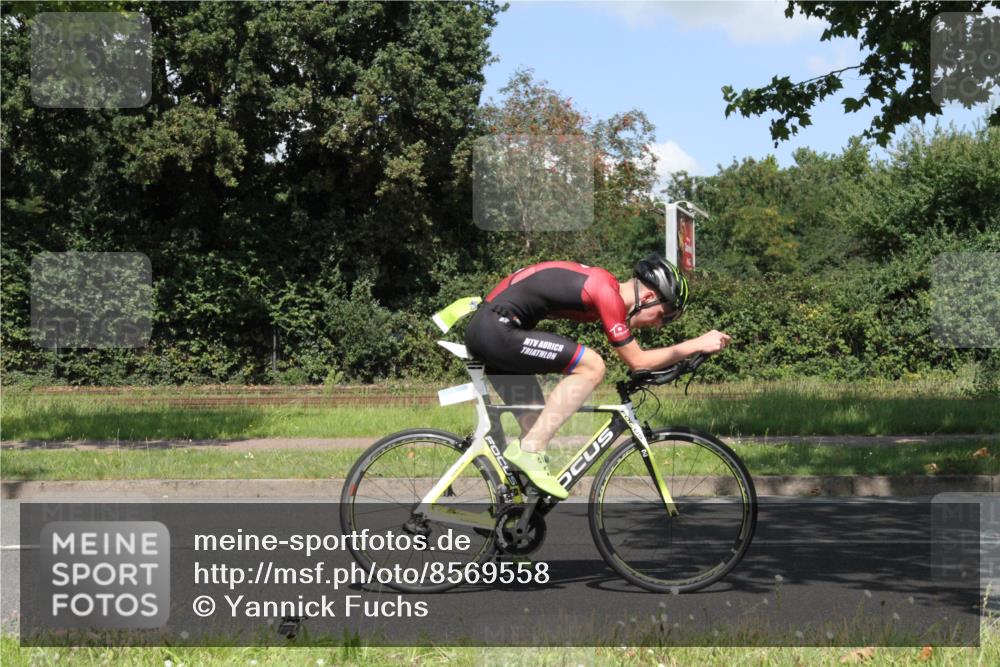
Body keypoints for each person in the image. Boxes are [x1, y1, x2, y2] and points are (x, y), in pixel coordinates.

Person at [464, 253, 731, 500]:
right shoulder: (606, 291)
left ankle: (512, 529)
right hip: (496, 329)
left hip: (493, 329)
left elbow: (640, 363)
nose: (660, 324)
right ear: (649, 297)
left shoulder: (606, 289)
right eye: (665, 315)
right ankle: (530, 450)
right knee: (592, 366)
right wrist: (694, 344)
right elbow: (637, 361)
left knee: (535, 424)